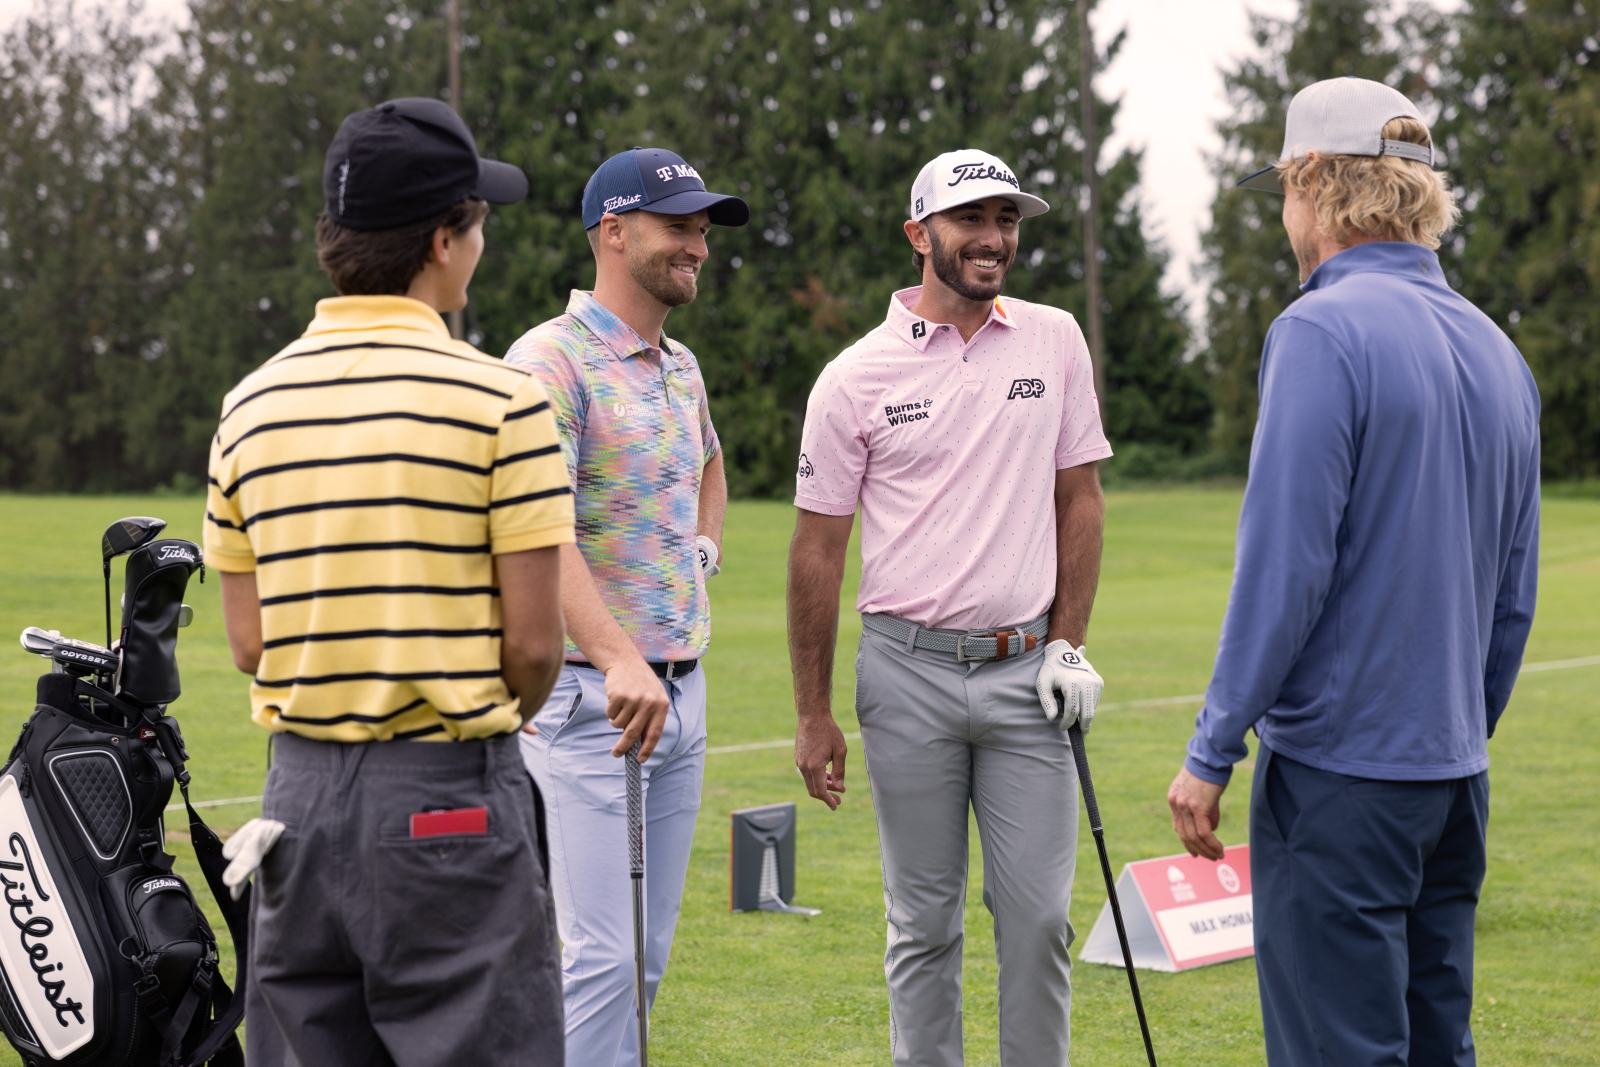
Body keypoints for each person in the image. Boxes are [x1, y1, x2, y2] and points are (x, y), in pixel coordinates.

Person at [1166, 78, 1540, 1067]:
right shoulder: (1500, 351)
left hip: (1341, 775)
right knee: (1436, 1044)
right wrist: (1457, 727)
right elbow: (1512, 598)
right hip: (1453, 773)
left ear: (1317, 185)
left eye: (1285, 192)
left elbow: (1284, 567)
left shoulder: (1319, 331)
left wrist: (1212, 746)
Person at [204, 97, 574, 1066]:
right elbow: (535, 646)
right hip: (448, 794)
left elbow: (249, 642)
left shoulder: (248, 405)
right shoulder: (503, 401)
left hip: (294, 801)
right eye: (477, 223)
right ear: (443, 241)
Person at [788, 149, 1112, 1067]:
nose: (993, 238)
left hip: (1027, 674)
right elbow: (817, 550)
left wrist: (1068, 644)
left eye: (1006, 220)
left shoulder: (1055, 339)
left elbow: (1081, 499)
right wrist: (813, 713)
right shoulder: (853, 376)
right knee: (924, 925)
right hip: (906, 674)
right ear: (919, 233)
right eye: (971, 219)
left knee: (1040, 919)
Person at [504, 147, 747, 1067]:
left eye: (703, 230)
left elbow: (711, 464)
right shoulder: (549, 360)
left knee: (641, 958)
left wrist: (701, 550)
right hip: (590, 707)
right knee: (599, 960)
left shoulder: (680, 363)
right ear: (613, 231)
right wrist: (617, 657)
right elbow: (538, 532)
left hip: (682, 695)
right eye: (678, 226)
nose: (698, 246)